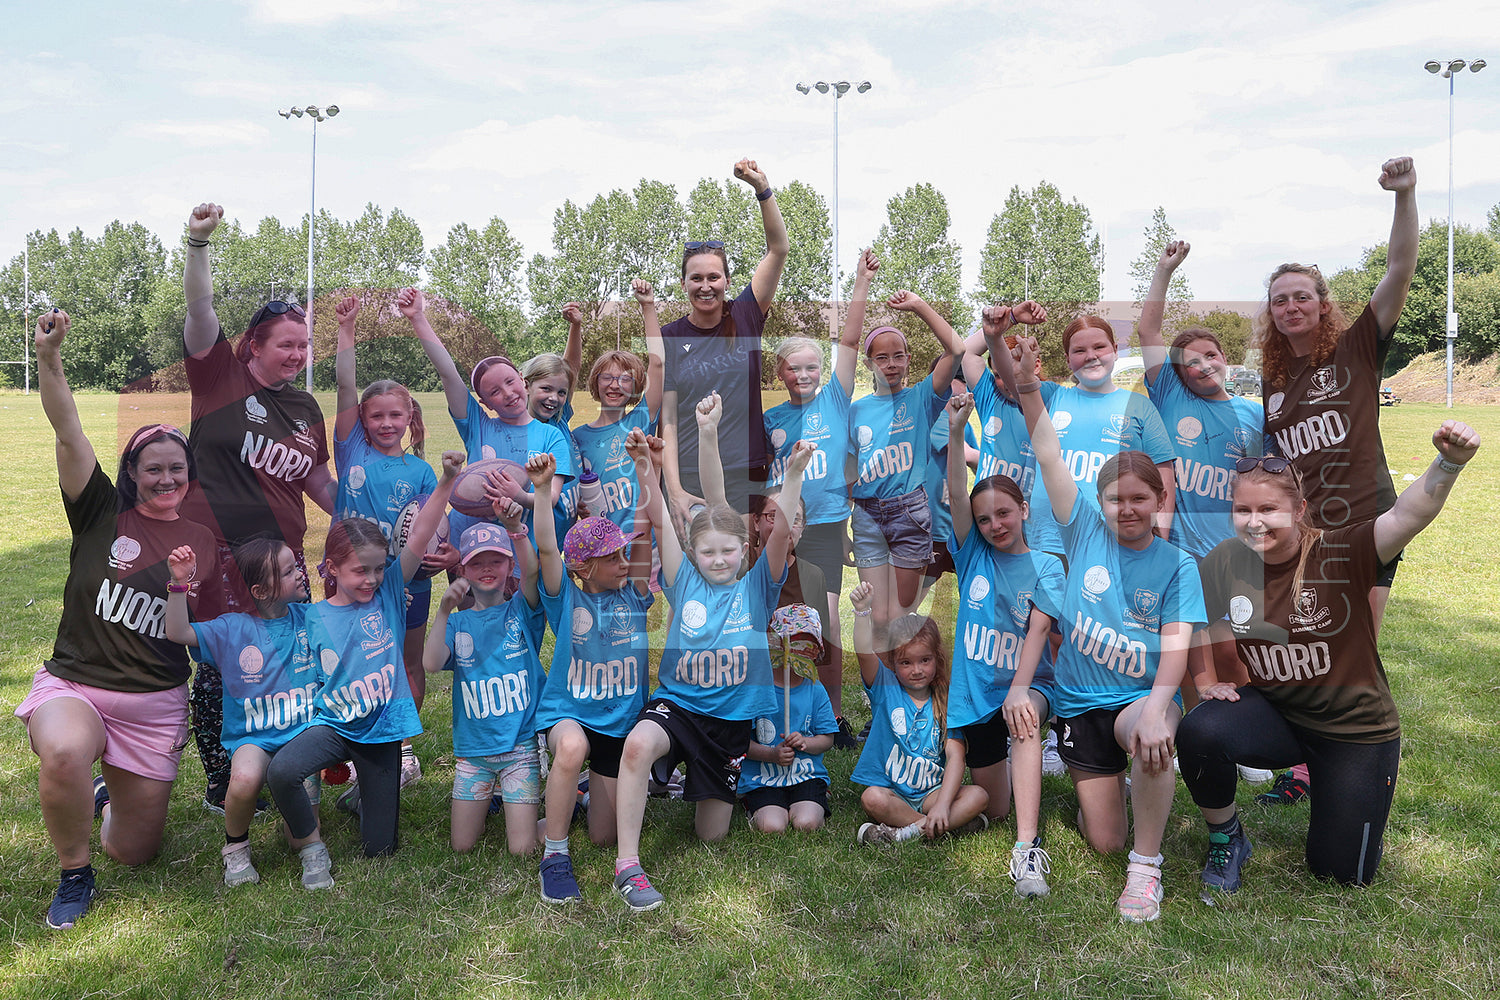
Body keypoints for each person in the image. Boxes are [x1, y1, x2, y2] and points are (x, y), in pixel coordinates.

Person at [1178, 420, 1478, 892]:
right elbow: (1198, 624)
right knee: (1200, 729)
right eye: (1242, 510)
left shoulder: (1340, 552)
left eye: (1268, 509)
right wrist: (1205, 679)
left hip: (1354, 732)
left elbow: (1406, 516)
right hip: (1279, 715)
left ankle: (1339, 790)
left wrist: (1449, 463)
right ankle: (1227, 837)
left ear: (1298, 509)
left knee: (1341, 876)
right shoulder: (1223, 562)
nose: (1254, 521)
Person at [16, 309, 223, 929]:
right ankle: (74, 874)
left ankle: (106, 800)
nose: (166, 477)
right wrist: (50, 360)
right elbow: (68, 430)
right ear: (132, 474)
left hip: (153, 701)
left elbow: (198, 629)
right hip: (76, 684)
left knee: (135, 852)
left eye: (176, 469)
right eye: (152, 468)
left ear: (189, 477)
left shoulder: (201, 538)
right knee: (63, 753)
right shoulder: (99, 509)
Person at [999, 334, 1205, 923]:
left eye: (1140, 499)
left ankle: (1146, 873)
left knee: (1152, 731)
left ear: (1159, 499)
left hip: (1134, 699)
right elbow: (1048, 453)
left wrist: (1161, 705)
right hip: (1079, 704)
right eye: (1116, 499)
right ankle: (1125, 795)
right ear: (1100, 500)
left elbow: (1175, 649)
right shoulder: (1081, 527)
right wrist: (1031, 385)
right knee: (1103, 840)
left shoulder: (1176, 564)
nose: (1128, 509)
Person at [1252, 157, 1419, 806]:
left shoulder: (1356, 349)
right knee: (1308, 649)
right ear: (1271, 312)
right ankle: (1304, 762)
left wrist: (1404, 197)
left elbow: (1399, 268)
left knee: (1358, 653)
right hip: (1305, 538)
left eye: (1302, 295)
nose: (1292, 305)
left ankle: (1361, 770)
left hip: (1368, 527)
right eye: (1280, 298)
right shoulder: (1270, 386)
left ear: (1322, 305)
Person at [611, 393, 814, 912]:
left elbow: (781, 531)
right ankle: (627, 866)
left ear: (744, 551)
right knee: (638, 745)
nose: (718, 559)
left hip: (727, 726)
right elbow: (663, 521)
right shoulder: (681, 581)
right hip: (678, 706)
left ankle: (688, 781)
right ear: (693, 552)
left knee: (711, 835)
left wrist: (791, 477)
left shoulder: (756, 587)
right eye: (708, 551)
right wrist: (647, 471)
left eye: (728, 550)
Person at [180, 202, 335, 813]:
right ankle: (224, 778)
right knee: (223, 663)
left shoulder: (303, 408)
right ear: (252, 346)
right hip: (221, 554)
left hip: (282, 558)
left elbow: (317, 479)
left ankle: (283, 761)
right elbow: (199, 311)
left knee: (287, 660)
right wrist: (198, 243)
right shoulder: (220, 379)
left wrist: (358, 515)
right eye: (286, 345)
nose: (297, 355)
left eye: (303, 345)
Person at [263, 453, 461, 884]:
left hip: (383, 730)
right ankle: (311, 843)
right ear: (332, 569)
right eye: (359, 571)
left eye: (376, 569)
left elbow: (420, 533)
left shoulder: (390, 592)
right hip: (334, 725)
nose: (371, 579)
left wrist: (446, 480)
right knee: (281, 771)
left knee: (381, 850)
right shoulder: (311, 616)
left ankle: (360, 799)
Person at [1136, 242, 1266, 730]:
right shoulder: (1168, 392)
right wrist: (1164, 270)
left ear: (1225, 357)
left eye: (1210, 355)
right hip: (1179, 549)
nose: (1203, 365)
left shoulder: (1254, 414)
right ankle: (1200, 727)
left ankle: (1245, 729)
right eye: (1191, 361)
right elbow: (1149, 329)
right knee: (1189, 646)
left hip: (1236, 551)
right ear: (1178, 372)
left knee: (1236, 646)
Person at [944, 393, 1064, 897]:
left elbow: (1039, 631)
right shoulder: (972, 555)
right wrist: (955, 433)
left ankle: (1028, 848)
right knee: (993, 807)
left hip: (1026, 685)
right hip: (976, 697)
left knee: (1026, 717)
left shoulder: (1047, 564)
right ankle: (1020, 788)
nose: (995, 526)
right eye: (986, 518)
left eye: (1005, 514)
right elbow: (954, 491)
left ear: (1024, 509)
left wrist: (1020, 690)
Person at [530, 431, 659, 903]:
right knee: (570, 747)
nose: (624, 563)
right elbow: (548, 549)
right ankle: (556, 854)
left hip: (620, 722)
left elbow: (648, 525)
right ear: (583, 567)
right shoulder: (567, 597)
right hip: (571, 711)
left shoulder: (636, 593)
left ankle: (577, 796)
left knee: (604, 837)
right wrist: (544, 492)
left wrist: (648, 467)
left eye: (624, 554)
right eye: (612, 558)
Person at [763, 249, 878, 740]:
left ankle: (830, 715)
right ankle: (773, 705)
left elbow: (850, 338)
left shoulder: (835, 396)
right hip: (780, 534)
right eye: (793, 369)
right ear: (781, 374)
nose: (804, 375)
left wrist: (860, 282)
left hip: (827, 526)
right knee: (778, 622)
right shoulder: (772, 422)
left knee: (826, 619)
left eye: (811, 366)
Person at [333, 295, 440, 788]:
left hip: (406, 582)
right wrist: (347, 329)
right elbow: (344, 385)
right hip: (353, 578)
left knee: (405, 660)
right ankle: (355, 743)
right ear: (363, 419)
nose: (385, 424)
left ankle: (399, 747)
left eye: (395, 416)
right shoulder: (350, 445)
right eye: (376, 416)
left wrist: (432, 558)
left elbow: (424, 529)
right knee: (355, 658)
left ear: (408, 417)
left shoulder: (420, 470)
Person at [165, 539, 313, 886]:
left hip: (303, 738)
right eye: (289, 571)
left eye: (297, 566)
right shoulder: (231, 628)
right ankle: (236, 847)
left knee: (299, 839)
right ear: (261, 590)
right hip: (254, 737)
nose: (301, 574)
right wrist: (177, 585)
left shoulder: (310, 618)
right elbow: (177, 631)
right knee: (245, 780)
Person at [660, 158, 788, 523]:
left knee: (743, 572)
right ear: (684, 283)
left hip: (745, 469)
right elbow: (667, 418)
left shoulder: (745, 315)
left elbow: (778, 249)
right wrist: (675, 489)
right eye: (695, 278)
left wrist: (761, 188)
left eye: (713, 277)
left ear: (727, 281)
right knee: (698, 574)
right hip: (690, 473)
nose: (705, 286)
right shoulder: (669, 337)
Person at [400, 287, 574, 542]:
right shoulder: (478, 427)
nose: (507, 393)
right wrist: (417, 317)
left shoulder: (551, 436)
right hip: (471, 548)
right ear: (485, 403)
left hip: (522, 553)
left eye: (510, 382)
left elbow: (551, 498)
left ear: (523, 381)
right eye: (494, 391)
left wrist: (520, 497)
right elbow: (447, 372)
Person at [424, 503, 544, 856]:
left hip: (519, 749)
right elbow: (431, 664)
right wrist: (444, 609)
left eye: (496, 561)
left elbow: (534, 575)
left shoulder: (522, 610)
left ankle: (571, 802)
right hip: (473, 754)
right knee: (462, 846)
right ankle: (501, 797)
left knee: (522, 849)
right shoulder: (458, 624)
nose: (487, 569)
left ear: (510, 567)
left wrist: (517, 530)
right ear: (463, 571)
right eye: (477, 562)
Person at [848, 290, 965, 639]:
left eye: (899, 356)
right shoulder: (858, 410)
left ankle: (904, 680)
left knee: (902, 613)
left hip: (909, 513)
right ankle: (881, 685)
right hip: (867, 516)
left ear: (909, 359)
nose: (891, 364)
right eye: (881, 358)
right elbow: (850, 467)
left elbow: (956, 350)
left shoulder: (922, 398)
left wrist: (918, 306)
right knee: (878, 613)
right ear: (868, 364)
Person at [850, 583, 990, 845]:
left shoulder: (947, 699)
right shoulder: (885, 687)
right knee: (871, 798)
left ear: (937, 658)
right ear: (892, 662)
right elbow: (863, 652)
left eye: (924, 660)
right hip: (893, 793)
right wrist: (861, 612)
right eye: (906, 662)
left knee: (979, 796)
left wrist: (942, 805)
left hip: (932, 793)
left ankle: (904, 834)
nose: (916, 670)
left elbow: (956, 757)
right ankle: (939, 826)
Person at [570, 280, 665, 532]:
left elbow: (658, 365)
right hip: (606, 549)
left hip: (648, 544)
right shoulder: (577, 438)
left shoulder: (642, 419)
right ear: (595, 381)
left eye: (625, 378)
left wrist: (648, 306)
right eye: (607, 377)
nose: (615, 385)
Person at [740, 605, 840, 834]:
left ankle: (817, 797)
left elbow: (827, 738)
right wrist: (771, 755)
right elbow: (740, 742)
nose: (791, 652)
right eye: (787, 642)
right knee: (772, 826)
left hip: (805, 776)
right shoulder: (756, 688)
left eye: (804, 645)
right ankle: (752, 803)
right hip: (762, 779)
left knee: (807, 823)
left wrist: (806, 742)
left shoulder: (815, 688)